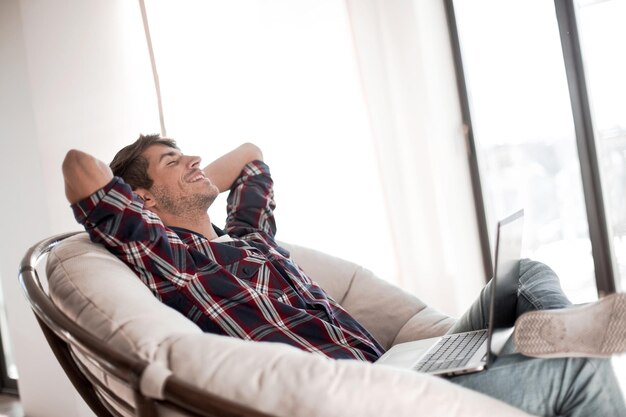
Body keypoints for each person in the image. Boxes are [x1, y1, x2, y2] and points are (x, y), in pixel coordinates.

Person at [62, 134, 626, 416]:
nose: (191, 160)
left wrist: (180, 178)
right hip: (372, 400)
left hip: (394, 368)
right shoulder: (162, 252)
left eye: (188, 152)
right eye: (172, 160)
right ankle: (554, 342)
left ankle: (552, 328)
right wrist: (164, 197)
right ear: (137, 199)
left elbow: (253, 155)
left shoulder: (248, 235)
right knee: (574, 371)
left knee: (526, 271)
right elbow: (78, 167)